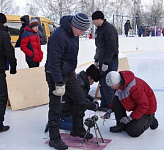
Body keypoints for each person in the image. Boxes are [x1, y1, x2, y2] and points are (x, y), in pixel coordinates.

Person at [45, 13, 98, 150]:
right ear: (74, 25)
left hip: (68, 73)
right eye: (81, 30)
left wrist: (72, 70)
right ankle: (54, 139)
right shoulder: (59, 36)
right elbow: (53, 62)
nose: (82, 33)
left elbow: (70, 56)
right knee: (56, 107)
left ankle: (77, 129)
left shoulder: (75, 34)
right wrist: (59, 83)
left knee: (80, 99)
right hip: (55, 74)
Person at [103, 71, 158, 137]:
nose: (111, 88)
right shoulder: (119, 85)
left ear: (117, 82)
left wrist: (130, 118)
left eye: (112, 86)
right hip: (136, 105)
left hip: (147, 109)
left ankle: (150, 119)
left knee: (133, 131)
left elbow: (144, 105)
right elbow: (117, 99)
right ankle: (121, 125)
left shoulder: (135, 87)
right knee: (116, 100)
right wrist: (110, 110)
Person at [60, 64, 103, 130]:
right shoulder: (79, 84)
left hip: (69, 106)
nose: (92, 83)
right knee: (75, 126)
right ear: (89, 77)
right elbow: (82, 101)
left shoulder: (81, 78)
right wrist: (94, 106)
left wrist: (92, 99)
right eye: (93, 81)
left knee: (81, 114)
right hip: (66, 110)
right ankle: (56, 123)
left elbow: (83, 95)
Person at [92, 11, 119, 111]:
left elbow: (111, 48)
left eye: (94, 20)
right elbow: (99, 47)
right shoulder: (99, 29)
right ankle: (104, 104)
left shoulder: (109, 29)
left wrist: (107, 62)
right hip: (102, 60)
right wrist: (96, 59)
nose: (93, 23)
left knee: (109, 84)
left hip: (111, 60)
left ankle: (111, 106)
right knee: (102, 83)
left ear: (99, 19)